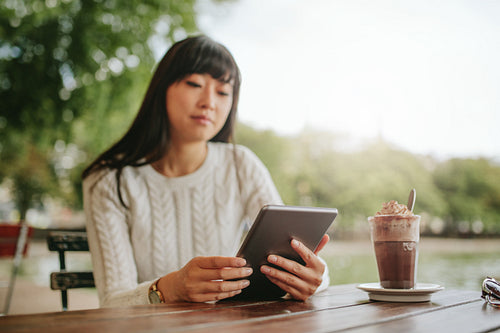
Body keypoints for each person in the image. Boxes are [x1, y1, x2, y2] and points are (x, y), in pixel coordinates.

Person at [82, 35, 330, 307]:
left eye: (223, 92)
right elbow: (112, 303)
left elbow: (294, 257)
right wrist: (169, 288)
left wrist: (315, 276)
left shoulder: (241, 164)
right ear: (161, 89)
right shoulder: (108, 181)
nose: (209, 102)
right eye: (194, 84)